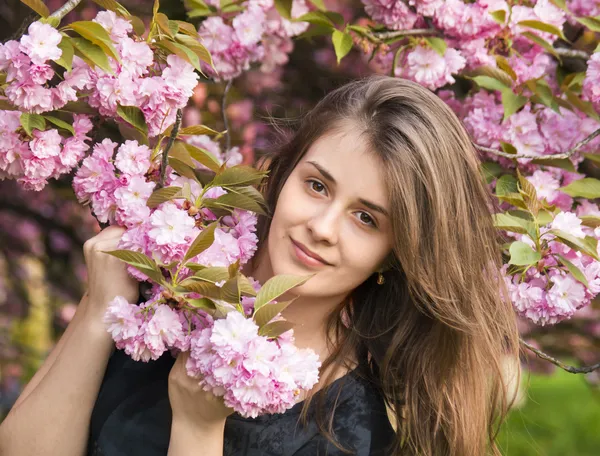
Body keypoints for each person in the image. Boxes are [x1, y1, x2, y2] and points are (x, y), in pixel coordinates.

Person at [0, 75, 520, 456]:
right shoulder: (163, 289)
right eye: (316, 186)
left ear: (396, 254)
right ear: (282, 175)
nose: (322, 226)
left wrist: (200, 431)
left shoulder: (349, 431)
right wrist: (99, 310)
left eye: (366, 218)